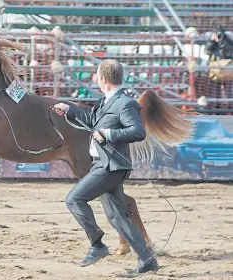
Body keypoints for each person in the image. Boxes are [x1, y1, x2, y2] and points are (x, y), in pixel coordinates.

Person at [52, 59, 158, 275]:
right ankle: (148, 260)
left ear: (105, 79)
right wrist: (68, 109)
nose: (95, 78)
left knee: (74, 199)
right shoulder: (105, 101)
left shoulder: (125, 103)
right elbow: (92, 121)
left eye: (97, 75)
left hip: (111, 166)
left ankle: (97, 245)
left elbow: (137, 131)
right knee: (117, 217)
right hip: (103, 164)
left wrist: (109, 134)